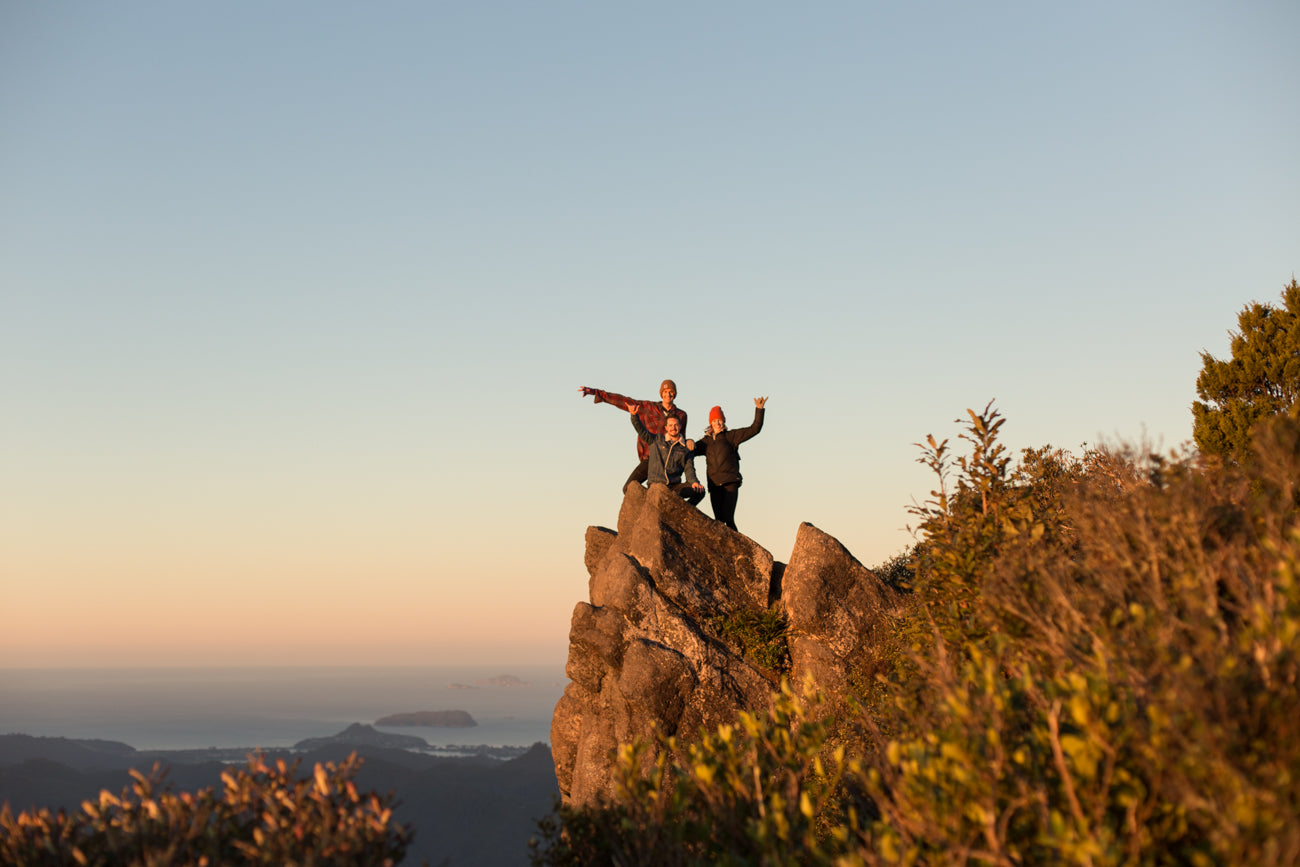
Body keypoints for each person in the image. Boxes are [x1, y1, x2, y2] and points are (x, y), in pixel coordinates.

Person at [579, 380, 688, 491]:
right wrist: (596, 393)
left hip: (669, 463)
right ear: (661, 393)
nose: (668, 395)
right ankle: (649, 501)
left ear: (674, 393)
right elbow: (623, 400)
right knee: (628, 488)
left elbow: (681, 440)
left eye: (671, 391)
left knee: (666, 493)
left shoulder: (681, 415)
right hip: (650, 459)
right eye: (665, 391)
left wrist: (689, 443)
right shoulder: (648, 408)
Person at [692, 397, 767, 531]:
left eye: (720, 420)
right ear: (711, 423)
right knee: (719, 520)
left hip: (730, 483)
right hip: (714, 485)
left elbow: (754, 429)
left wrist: (759, 410)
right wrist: (688, 442)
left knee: (728, 518)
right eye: (715, 421)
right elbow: (689, 450)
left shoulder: (731, 436)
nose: (718, 423)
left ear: (724, 421)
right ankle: (722, 551)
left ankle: (738, 548)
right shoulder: (705, 442)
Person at [628, 403, 705, 505]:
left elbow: (689, 468)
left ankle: (682, 513)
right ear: (666, 428)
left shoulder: (685, 448)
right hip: (657, 485)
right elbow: (642, 431)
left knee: (700, 491)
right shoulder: (657, 440)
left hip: (674, 487)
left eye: (676, 425)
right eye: (670, 425)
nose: (673, 428)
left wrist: (694, 482)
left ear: (680, 426)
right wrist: (634, 416)